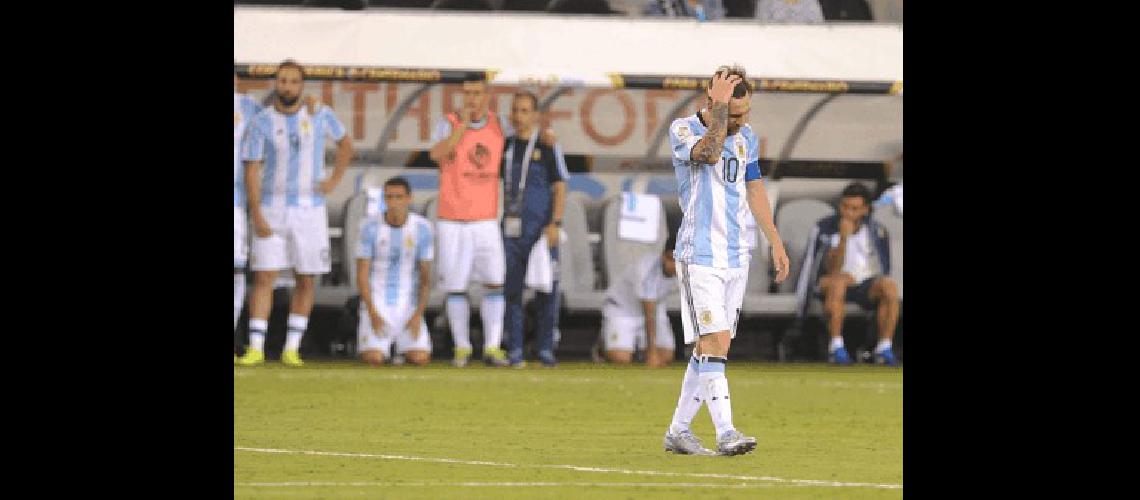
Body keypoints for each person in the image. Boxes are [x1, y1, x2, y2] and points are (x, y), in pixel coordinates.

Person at [662, 65, 790, 456]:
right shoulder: (683, 130)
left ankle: (678, 431)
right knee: (713, 341)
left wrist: (775, 240)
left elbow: (754, 190)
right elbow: (710, 151)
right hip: (699, 256)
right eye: (733, 114)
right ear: (712, 103)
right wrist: (719, 113)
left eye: (745, 114)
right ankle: (726, 433)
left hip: (737, 257)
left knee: (712, 348)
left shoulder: (746, 138)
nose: (740, 122)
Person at [236, 59, 354, 367]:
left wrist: (333, 180)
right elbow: (251, 169)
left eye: (292, 81)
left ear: (302, 86)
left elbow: (345, 145)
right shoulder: (261, 121)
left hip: (309, 210)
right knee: (265, 276)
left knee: (306, 278)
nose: (286, 86)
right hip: (273, 207)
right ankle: (257, 347)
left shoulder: (318, 114)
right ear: (276, 83)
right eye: (282, 80)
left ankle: (292, 347)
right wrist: (256, 212)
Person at [428, 77, 511, 367]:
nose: (471, 99)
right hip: (452, 218)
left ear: (487, 96)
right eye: (467, 94)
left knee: (495, 282)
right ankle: (462, 347)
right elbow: (436, 154)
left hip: (485, 218)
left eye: (477, 94)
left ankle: (491, 346)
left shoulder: (500, 125)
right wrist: (461, 127)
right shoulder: (448, 122)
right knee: (455, 285)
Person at [499, 91, 567, 368]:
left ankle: (545, 349)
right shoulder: (505, 145)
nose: (519, 116)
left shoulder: (548, 145)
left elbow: (560, 185)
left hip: (541, 230)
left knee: (547, 291)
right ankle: (514, 348)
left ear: (536, 115)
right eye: (515, 110)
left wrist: (555, 223)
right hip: (510, 229)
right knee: (512, 290)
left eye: (525, 110)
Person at [797, 182, 899, 365]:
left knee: (889, 287)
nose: (848, 212)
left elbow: (884, 268)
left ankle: (884, 347)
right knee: (839, 281)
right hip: (832, 281)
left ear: (865, 210)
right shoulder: (825, 227)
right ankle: (836, 346)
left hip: (866, 284)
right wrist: (844, 238)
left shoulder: (877, 230)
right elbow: (830, 268)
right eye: (845, 207)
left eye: (854, 208)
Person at [355, 177, 434, 366]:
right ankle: (381, 347)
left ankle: (402, 348)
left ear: (409, 198)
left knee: (419, 359)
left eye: (399, 197)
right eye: (389, 197)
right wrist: (372, 313)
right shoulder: (368, 227)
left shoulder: (423, 228)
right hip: (378, 303)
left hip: (408, 306)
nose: (394, 203)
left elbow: (425, 278)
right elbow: (362, 275)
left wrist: (417, 315)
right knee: (373, 359)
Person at [601, 235, 679, 367]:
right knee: (620, 359)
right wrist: (652, 353)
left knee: (666, 356)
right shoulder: (646, 270)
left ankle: (636, 349)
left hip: (656, 309)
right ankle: (602, 345)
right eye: (675, 261)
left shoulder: (688, 270)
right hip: (622, 309)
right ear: (665, 257)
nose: (678, 267)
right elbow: (649, 315)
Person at [235, 74, 262, 361]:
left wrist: (310, 105)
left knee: (235, 270)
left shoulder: (250, 108)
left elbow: (282, 115)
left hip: (234, 203)